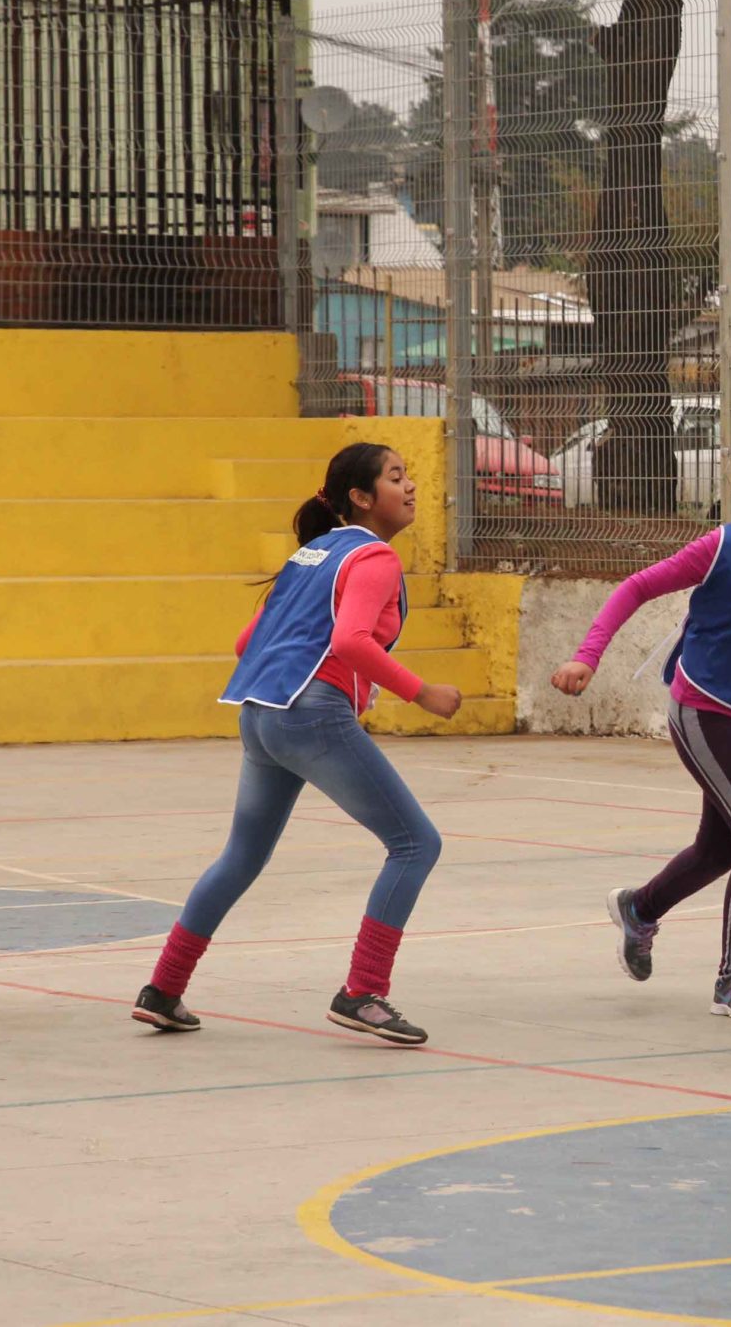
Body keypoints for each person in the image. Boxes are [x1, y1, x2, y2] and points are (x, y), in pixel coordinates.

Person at [131, 443, 462, 1046]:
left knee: (241, 856)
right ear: (361, 498)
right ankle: (362, 992)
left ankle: (163, 989)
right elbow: (352, 641)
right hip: (310, 715)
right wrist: (423, 693)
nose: (410, 486)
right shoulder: (374, 557)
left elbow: (245, 644)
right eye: (396, 477)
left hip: (260, 713)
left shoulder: (311, 554)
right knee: (416, 844)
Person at [552, 442, 731, 1020]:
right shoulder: (728, 545)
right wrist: (587, 656)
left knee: (720, 847)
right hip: (705, 706)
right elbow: (637, 586)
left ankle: (640, 909)